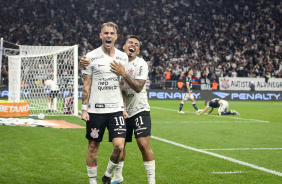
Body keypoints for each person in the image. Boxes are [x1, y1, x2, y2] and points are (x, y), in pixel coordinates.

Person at [80, 35, 156, 184]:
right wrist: (83, 61)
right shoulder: (117, 59)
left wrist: (123, 73)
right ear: (125, 46)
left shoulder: (141, 64)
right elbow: (95, 64)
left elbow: (139, 87)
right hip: (121, 109)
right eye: (130, 43)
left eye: (136, 44)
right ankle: (117, 176)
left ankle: (151, 180)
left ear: (138, 50)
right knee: (121, 145)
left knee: (143, 143)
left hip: (140, 108)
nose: (132, 45)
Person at [80, 22, 128, 184]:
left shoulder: (123, 57)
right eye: (105, 33)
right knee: (93, 148)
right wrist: (83, 109)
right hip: (96, 111)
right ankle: (93, 182)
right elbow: (86, 84)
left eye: (111, 33)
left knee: (119, 147)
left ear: (116, 36)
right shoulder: (90, 57)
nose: (108, 36)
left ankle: (107, 175)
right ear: (100, 36)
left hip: (116, 110)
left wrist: (125, 107)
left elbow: (123, 84)